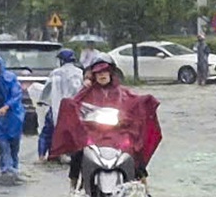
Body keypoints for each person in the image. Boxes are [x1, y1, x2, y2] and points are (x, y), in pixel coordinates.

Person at [49, 53, 162, 190]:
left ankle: (144, 185)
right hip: (93, 133)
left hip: (118, 133)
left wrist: (146, 101)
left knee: (132, 148)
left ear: (111, 73)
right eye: (98, 73)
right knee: (79, 151)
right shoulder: (87, 92)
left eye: (105, 71)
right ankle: (73, 185)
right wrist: (68, 105)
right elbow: (75, 104)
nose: (102, 75)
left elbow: (134, 103)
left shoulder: (122, 92)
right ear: (93, 75)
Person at [37, 48, 86, 160]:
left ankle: (41, 156)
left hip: (56, 106)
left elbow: (47, 90)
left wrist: (42, 101)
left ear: (62, 60)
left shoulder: (55, 73)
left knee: (46, 133)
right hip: (75, 109)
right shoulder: (80, 73)